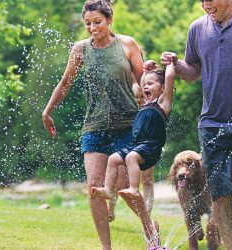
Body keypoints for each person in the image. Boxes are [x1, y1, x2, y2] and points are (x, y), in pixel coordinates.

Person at [161, 0, 232, 249]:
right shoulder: (197, 28)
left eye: (210, 0)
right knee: (220, 196)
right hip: (211, 124)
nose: (205, 5)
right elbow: (193, 72)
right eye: (201, 1)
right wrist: (176, 64)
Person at [42, 1, 145, 249]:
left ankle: (149, 226)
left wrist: (156, 110)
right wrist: (47, 111)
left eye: (97, 22)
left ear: (109, 20)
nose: (92, 27)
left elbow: (145, 82)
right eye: (88, 23)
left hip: (127, 125)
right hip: (95, 126)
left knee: (122, 187)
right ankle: (106, 247)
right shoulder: (80, 50)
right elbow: (65, 82)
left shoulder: (127, 44)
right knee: (94, 187)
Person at [91, 60, 175, 249]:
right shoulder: (144, 104)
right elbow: (141, 83)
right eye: (145, 84)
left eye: (151, 84)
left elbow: (169, 77)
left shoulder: (162, 105)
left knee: (130, 158)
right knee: (113, 158)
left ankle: (134, 189)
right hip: (137, 146)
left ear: (162, 89)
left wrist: (170, 64)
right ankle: (107, 190)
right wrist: (146, 71)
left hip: (150, 149)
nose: (146, 86)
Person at [107, 81, 155, 223]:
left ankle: (147, 214)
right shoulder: (126, 112)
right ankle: (111, 209)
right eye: (136, 97)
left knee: (147, 180)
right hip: (126, 145)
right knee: (119, 181)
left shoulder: (153, 108)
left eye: (143, 97)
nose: (140, 100)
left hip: (147, 145)